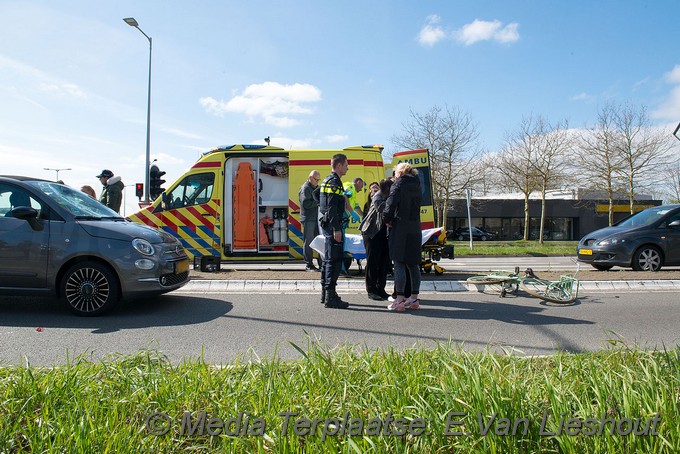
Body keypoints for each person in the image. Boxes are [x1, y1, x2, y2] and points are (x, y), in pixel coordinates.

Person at [383, 162, 422, 311]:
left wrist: (387, 220)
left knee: (398, 262)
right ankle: (414, 298)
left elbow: (390, 206)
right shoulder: (418, 184)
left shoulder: (398, 185)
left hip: (400, 228)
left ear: (398, 174)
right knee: (413, 264)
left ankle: (399, 300)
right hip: (415, 227)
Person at [318, 154, 350, 309]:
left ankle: (325, 294)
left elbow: (316, 194)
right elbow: (332, 207)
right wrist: (337, 228)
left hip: (327, 224)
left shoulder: (326, 180)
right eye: (345, 165)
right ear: (338, 166)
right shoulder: (335, 182)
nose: (347, 168)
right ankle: (331, 297)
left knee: (327, 260)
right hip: (332, 226)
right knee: (334, 261)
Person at [360, 178, 392, 301]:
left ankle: (381, 289)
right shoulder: (378, 196)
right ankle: (371, 290)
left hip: (383, 232)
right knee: (373, 261)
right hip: (371, 232)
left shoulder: (388, 196)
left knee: (384, 262)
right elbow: (384, 211)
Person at [299, 170, 321, 271]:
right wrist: (318, 202)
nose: (317, 182)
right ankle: (309, 264)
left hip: (315, 218)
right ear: (310, 178)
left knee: (319, 241)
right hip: (308, 219)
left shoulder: (314, 187)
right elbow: (306, 204)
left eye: (318, 180)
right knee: (309, 242)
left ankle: (321, 263)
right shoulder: (306, 188)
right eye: (316, 179)